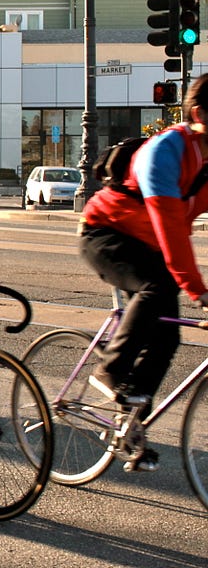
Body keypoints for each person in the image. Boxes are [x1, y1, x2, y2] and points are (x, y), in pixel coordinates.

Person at [78, 72, 208, 472]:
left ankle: (132, 426)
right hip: (105, 234)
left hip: (148, 246)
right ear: (201, 113)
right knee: (157, 289)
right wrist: (200, 292)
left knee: (167, 334)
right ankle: (110, 369)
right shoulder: (167, 150)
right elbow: (170, 226)